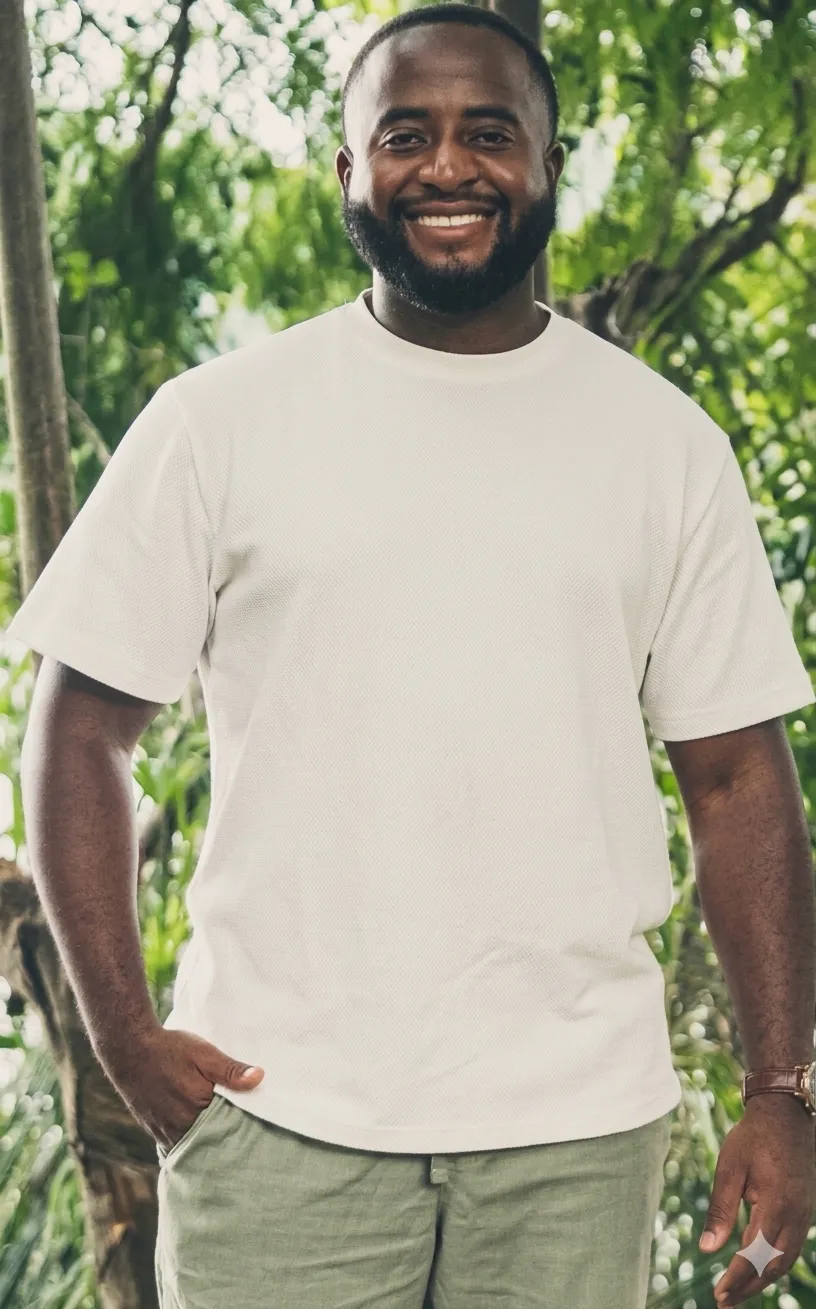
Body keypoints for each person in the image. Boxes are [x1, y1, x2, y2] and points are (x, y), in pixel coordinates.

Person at [9, 6, 816, 1309]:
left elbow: (736, 780)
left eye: (489, 134)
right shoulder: (220, 426)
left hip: (576, 1130)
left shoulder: (663, 448)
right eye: (405, 134)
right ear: (348, 172)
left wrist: (782, 1089)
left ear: (550, 162)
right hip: (279, 1122)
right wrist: (124, 1034)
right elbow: (80, 727)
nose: (448, 167)